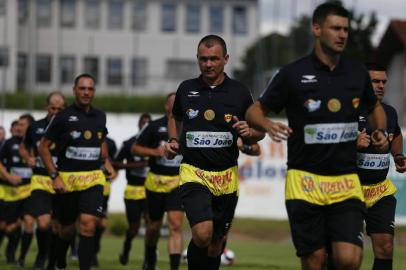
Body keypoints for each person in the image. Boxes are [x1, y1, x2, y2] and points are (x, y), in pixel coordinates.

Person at [245, 3, 389, 270]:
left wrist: (379, 130)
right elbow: (254, 110)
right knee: (314, 262)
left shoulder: (357, 72)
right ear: (317, 29)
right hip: (304, 182)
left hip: (345, 181)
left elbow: (375, 107)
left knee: (349, 259)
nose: (342, 34)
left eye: (346, 29)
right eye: (336, 28)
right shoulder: (292, 74)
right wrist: (267, 124)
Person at [165, 34, 264, 270]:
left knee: (215, 244)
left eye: (214, 59)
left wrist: (249, 130)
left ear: (226, 59)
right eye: (203, 59)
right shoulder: (186, 89)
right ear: (198, 60)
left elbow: (260, 132)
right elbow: (175, 116)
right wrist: (172, 139)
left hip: (226, 178)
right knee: (202, 233)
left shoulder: (240, 92)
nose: (208, 64)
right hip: (194, 173)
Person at [39, 73, 116, 270]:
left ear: (94, 92)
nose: (86, 92)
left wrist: (106, 161)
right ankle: (56, 263)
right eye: (82, 88)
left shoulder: (100, 115)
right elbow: (44, 147)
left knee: (89, 224)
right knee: (65, 231)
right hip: (67, 180)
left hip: (93, 179)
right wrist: (54, 176)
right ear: (74, 90)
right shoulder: (63, 117)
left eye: (90, 89)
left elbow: (101, 141)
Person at [356, 63, 406, 270]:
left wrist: (398, 155)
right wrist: (354, 144)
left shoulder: (389, 112)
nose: (381, 85)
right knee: (348, 254)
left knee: (385, 247)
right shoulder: (349, 110)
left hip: (379, 190)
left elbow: (396, 133)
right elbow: (327, 149)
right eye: (375, 81)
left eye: (383, 82)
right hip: (350, 189)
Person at [133, 94, 184, 270]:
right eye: (173, 103)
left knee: (176, 225)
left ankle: (174, 267)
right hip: (155, 182)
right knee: (153, 227)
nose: (177, 105)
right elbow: (135, 148)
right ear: (166, 106)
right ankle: (150, 259)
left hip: (178, 182)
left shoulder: (189, 126)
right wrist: (154, 152)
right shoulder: (153, 127)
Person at [19, 91, 66, 270]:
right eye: (53, 108)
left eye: (60, 109)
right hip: (40, 179)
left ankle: (53, 260)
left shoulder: (68, 128)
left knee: (58, 227)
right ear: (47, 107)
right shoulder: (36, 127)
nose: (56, 111)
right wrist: (28, 158)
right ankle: (41, 255)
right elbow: (24, 148)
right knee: (44, 222)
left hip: (61, 181)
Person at [113, 113, 151, 265]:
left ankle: (148, 260)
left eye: (149, 124)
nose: (146, 127)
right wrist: (135, 165)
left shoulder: (157, 144)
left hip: (151, 189)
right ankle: (126, 248)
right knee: (134, 228)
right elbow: (115, 163)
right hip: (133, 190)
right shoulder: (129, 143)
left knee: (151, 225)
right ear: (139, 125)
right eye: (143, 123)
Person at [0, 114, 35, 266]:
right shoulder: (8, 144)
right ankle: (10, 247)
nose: (18, 127)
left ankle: (21, 257)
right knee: (7, 227)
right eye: (18, 124)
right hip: (10, 191)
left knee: (28, 222)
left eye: (22, 125)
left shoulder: (37, 144)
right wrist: (8, 176)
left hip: (28, 190)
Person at [92, 135, 117, 267]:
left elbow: (114, 164)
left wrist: (112, 173)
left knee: (101, 224)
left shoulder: (110, 143)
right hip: (85, 184)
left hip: (103, 188)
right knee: (85, 221)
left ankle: (94, 250)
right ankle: (81, 250)